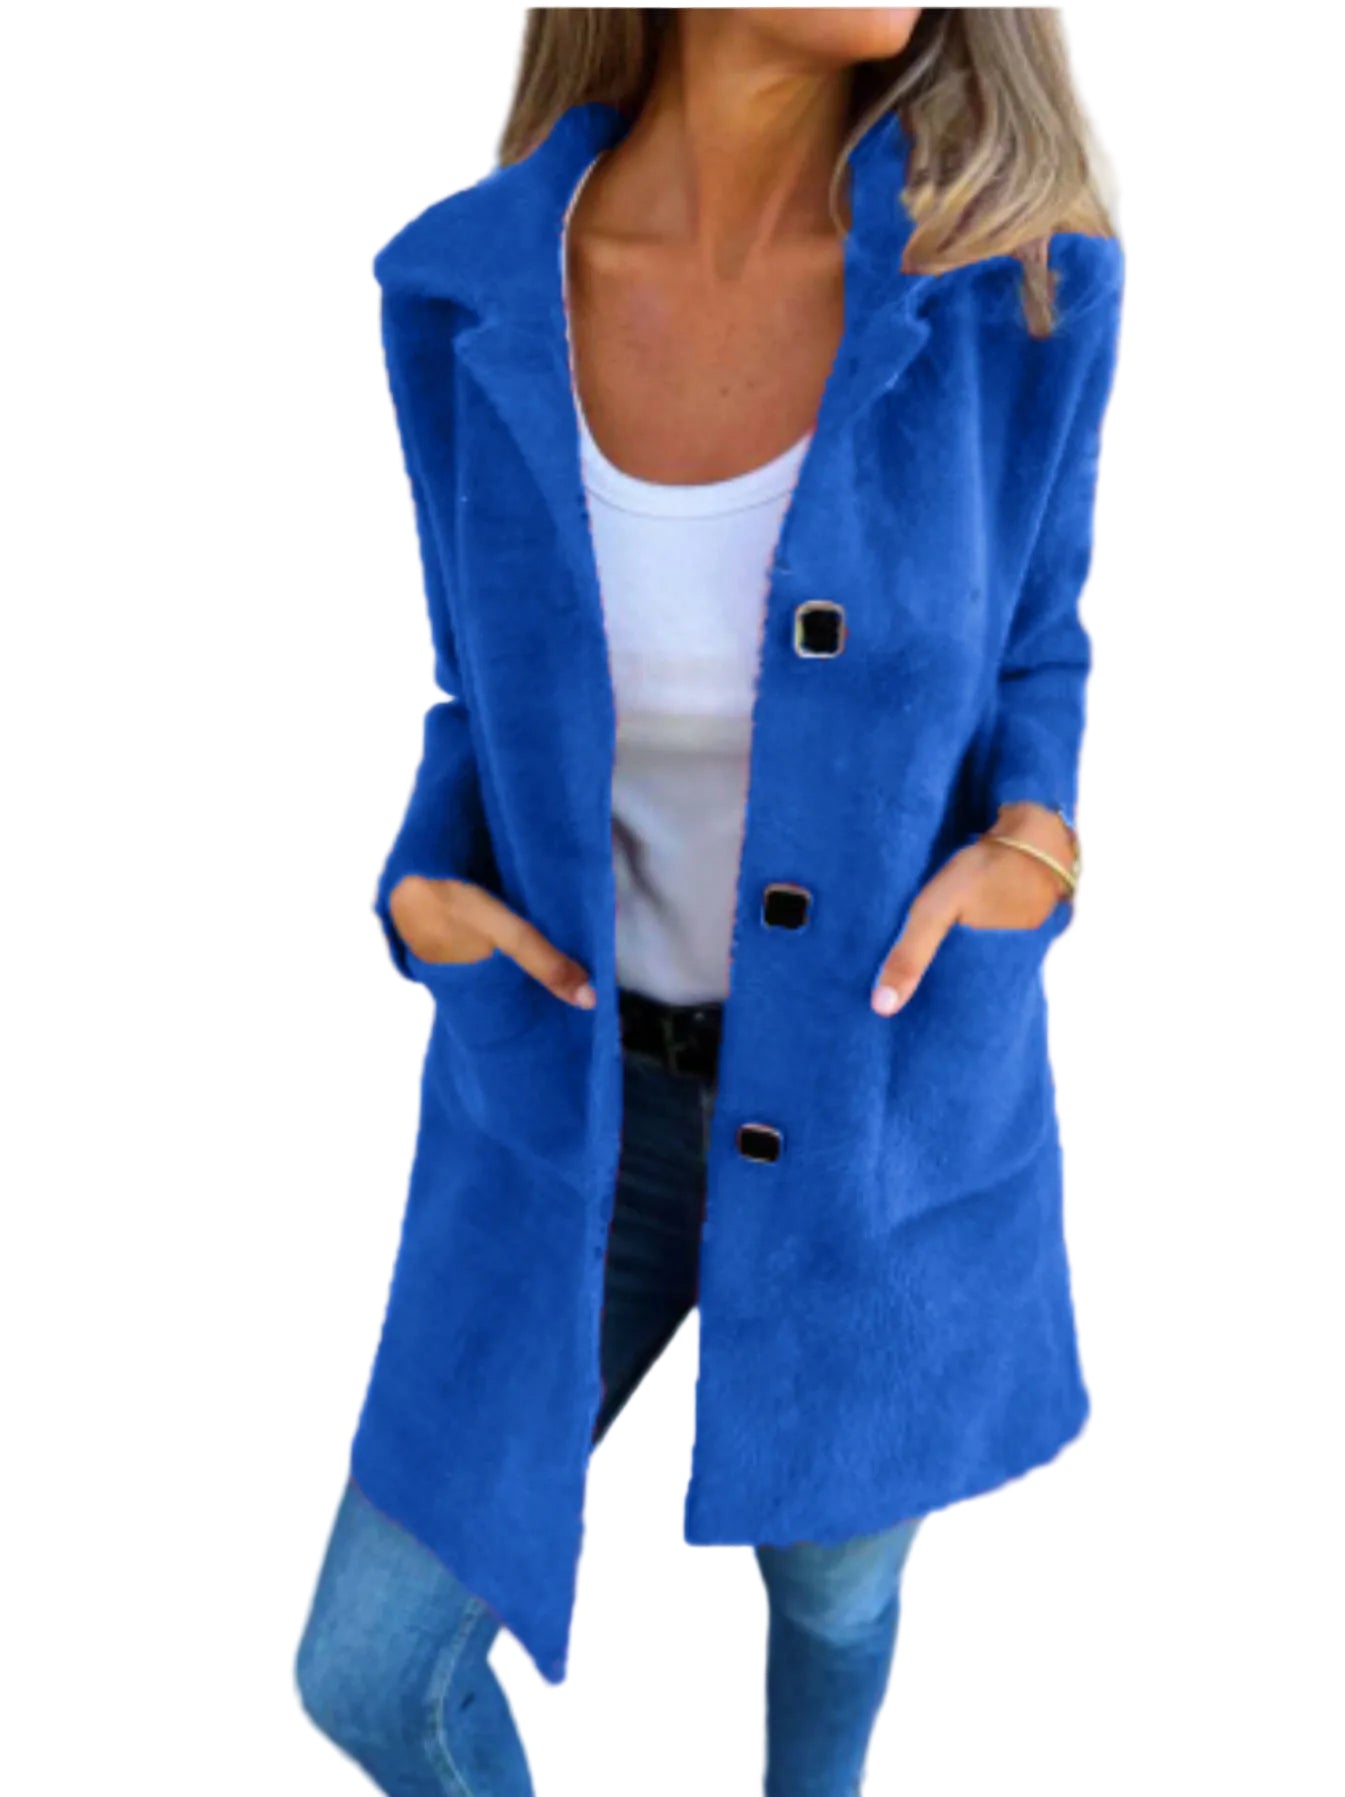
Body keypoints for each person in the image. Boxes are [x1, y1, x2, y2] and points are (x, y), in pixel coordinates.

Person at [296, 9, 1124, 1793]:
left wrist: (1037, 849)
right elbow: (474, 691)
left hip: (875, 1111)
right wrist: (422, 881)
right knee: (372, 1660)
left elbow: (1034, 645)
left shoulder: (1016, 283)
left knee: (832, 1587)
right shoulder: (463, 294)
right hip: (569, 1108)